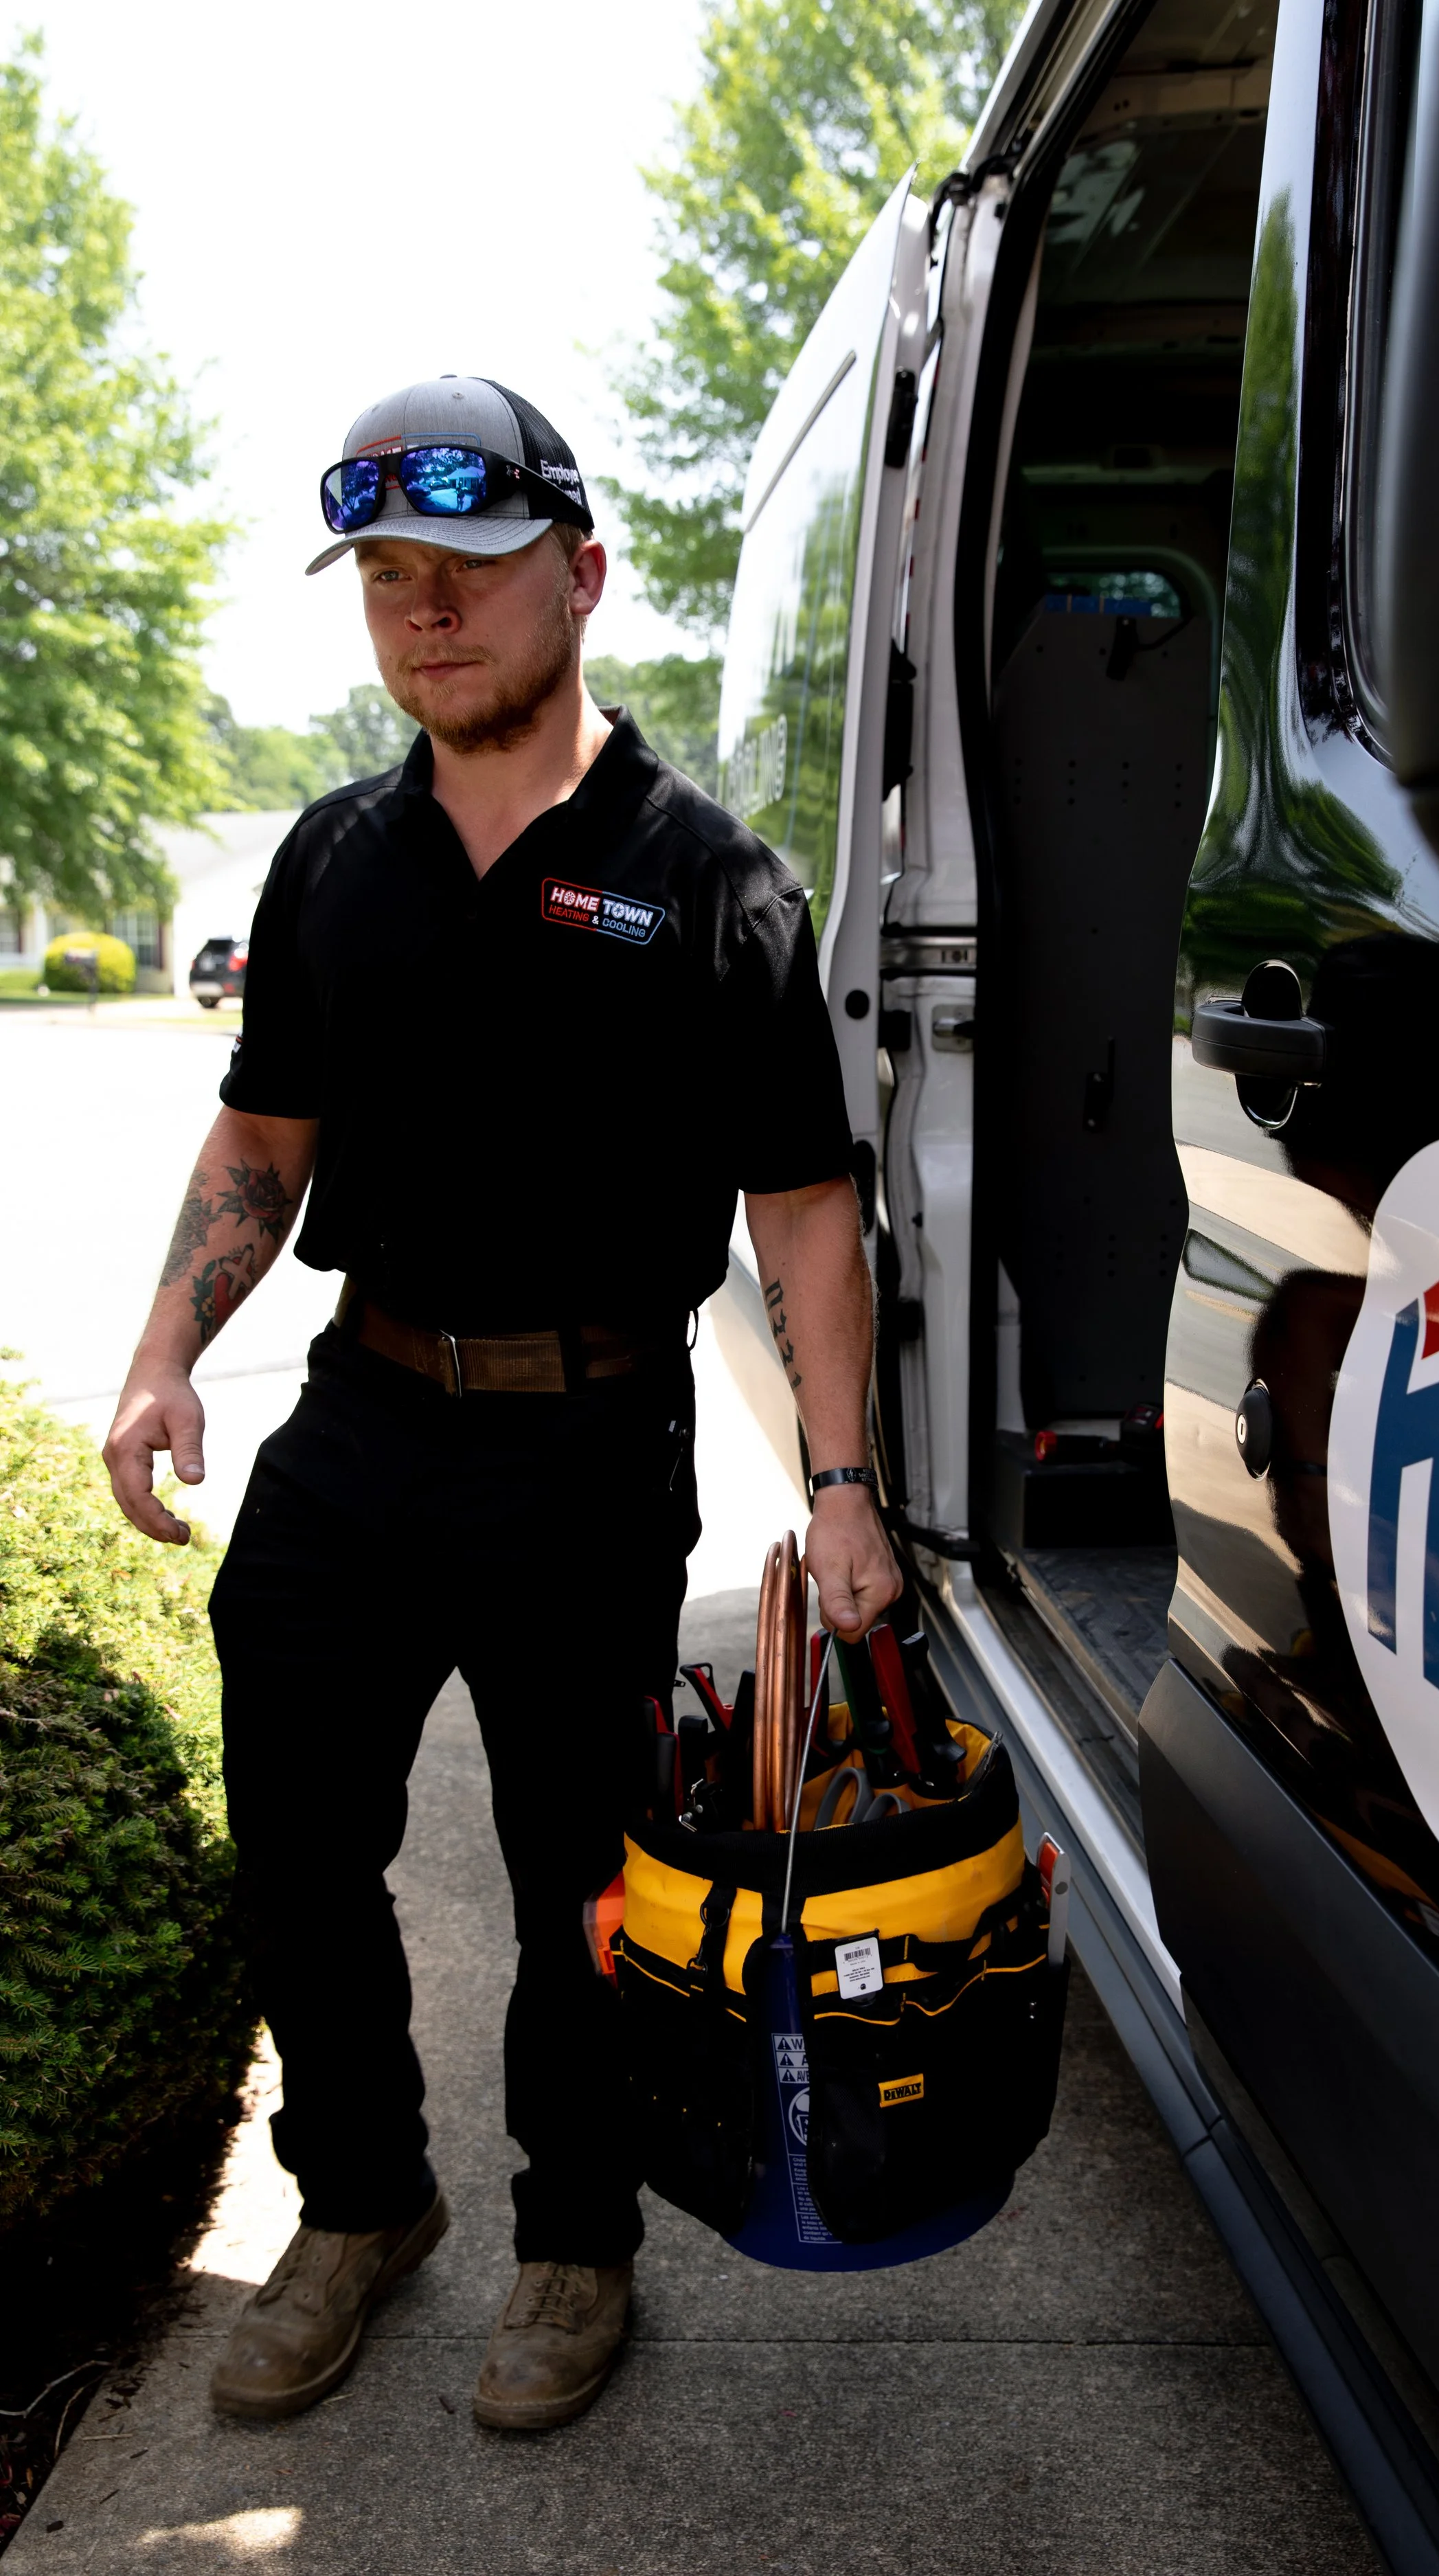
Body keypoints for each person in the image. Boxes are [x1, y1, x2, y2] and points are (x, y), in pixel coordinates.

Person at [102, 376, 900, 2430]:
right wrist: (163, 1350)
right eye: (384, 577)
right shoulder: (334, 859)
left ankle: (574, 2242)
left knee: (579, 1883)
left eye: (461, 568)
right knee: (294, 1836)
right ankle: (363, 2203)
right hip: (360, 1428)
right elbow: (264, 1132)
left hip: (583, 1449)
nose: (421, 610)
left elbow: (805, 1208)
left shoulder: (707, 881)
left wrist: (839, 1483)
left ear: (579, 571)